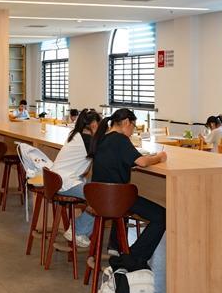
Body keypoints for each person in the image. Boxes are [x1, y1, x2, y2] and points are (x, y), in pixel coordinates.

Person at [89, 108, 167, 263]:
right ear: (126, 122)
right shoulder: (120, 139)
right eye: (133, 126)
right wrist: (159, 157)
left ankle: (117, 246)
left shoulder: (102, 137)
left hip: (98, 197)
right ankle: (133, 257)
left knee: (128, 201)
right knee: (162, 216)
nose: (132, 132)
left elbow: (115, 161)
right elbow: (142, 162)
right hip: (116, 198)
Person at [52, 109, 102, 247]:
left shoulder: (75, 134)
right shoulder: (87, 140)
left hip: (56, 179)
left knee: (96, 189)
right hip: (65, 182)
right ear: (94, 125)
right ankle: (77, 230)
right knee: (101, 197)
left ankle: (81, 230)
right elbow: (106, 154)